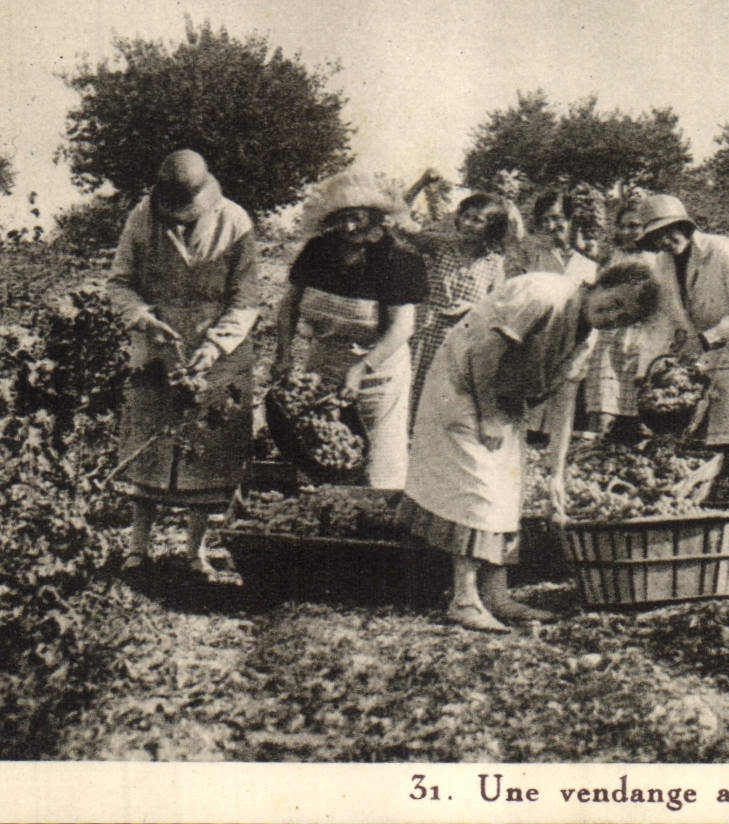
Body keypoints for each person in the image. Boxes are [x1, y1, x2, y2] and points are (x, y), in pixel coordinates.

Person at [400, 262, 662, 632]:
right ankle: (463, 599)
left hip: (504, 398)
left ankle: (496, 596)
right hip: (461, 384)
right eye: (614, 302)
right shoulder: (545, 295)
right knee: (475, 488)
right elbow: (485, 353)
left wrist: (557, 472)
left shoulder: (585, 338)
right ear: (600, 284)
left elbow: (564, 401)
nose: (612, 316)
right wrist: (489, 415)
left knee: (507, 489)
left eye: (623, 317)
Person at [107, 150, 259, 577]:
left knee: (207, 448)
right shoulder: (142, 218)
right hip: (157, 343)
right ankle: (138, 548)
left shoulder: (235, 222)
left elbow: (246, 298)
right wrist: (143, 319)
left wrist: (215, 346)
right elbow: (120, 283)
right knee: (147, 442)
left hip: (219, 348)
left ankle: (196, 550)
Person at [274, 170, 427, 489]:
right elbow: (288, 306)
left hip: (377, 371)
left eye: (356, 218)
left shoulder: (397, 258)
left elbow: (403, 326)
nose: (349, 227)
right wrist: (284, 354)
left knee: (379, 463)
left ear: (376, 216)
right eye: (342, 218)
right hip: (324, 364)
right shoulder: (318, 250)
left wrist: (361, 369)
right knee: (320, 453)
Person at [635, 194, 729, 507]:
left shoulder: (723, 251)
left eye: (671, 230)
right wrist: (653, 369)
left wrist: (704, 340)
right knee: (711, 444)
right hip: (710, 362)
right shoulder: (663, 265)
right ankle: (720, 514)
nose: (666, 240)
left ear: (686, 226)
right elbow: (669, 322)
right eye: (657, 235)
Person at [403, 192, 513, 431]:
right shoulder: (440, 245)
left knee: (446, 396)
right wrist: (421, 184)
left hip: (461, 339)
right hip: (425, 331)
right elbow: (402, 228)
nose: (469, 224)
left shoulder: (494, 263)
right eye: (466, 217)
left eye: (478, 220)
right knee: (411, 387)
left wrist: (471, 308)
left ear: (491, 227)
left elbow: (498, 306)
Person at [583, 198, 679, 441]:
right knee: (604, 407)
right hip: (610, 339)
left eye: (634, 225)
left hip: (643, 340)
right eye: (622, 226)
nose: (627, 232)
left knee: (643, 411)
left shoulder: (660, 259)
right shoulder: (610, 256)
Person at [507, 189, 600, 285]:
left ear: (570, 218)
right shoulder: (534, 254)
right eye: (545, 220)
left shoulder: (591, 256)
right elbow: (515, 231)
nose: (550, 225)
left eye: (556, 218)